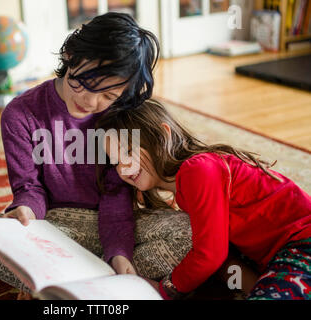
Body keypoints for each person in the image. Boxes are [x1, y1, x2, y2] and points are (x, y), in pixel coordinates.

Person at [0, 13, 196, 299]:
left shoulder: (119, 116)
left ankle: (72, 281)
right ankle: (89, 281)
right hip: (53, 227)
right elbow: (29, 188)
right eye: (86, 83)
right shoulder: (20, 114)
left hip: (113, 223)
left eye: (108, 96)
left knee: (187, 231)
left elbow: (115, 195)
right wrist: (26, 212)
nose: (91, 102)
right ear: (70, 56)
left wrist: (119, 253)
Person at [95, 99, 311, 300]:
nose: (123, 168)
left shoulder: (197, 169)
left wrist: (166, 289)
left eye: (128, 152)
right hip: (274, 253)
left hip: (302, 241)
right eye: (115, 162)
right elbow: (219, 256)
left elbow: (209, 255)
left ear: (163, 135)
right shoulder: (185, 187)